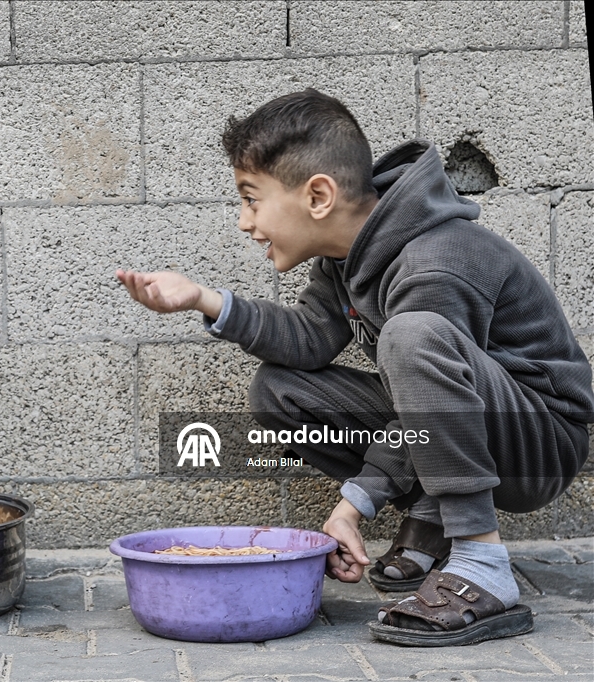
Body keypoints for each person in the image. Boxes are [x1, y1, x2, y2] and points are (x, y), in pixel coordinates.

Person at [117, 88, 593, 646]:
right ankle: (431, 509)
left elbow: (431, 400)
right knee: (281, 391)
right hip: (455, 423)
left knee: (411, 337)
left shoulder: (438, 259)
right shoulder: (347, 260)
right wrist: (204, 299)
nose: (245, 222)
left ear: (318, 194)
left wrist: (353, 504)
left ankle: (481, 562)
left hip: (534, 444)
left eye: (251, 199)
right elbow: (310, 339)